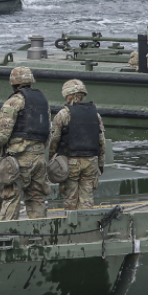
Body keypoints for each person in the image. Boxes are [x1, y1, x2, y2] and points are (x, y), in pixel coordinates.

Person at [0, 66, 50, 219]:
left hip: (19, 160)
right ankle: (39, 235)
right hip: (39, 158)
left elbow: (2, 134)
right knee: (36, 199)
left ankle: (9, 235)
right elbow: (47, 130)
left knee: (11, 196)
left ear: (13, 83)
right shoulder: (42, 101)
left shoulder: (14, 101)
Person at [47, 79, 106, 211]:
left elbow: (54, 140)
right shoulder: (95, 115)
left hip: (71, 162)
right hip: (91, 162)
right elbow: (102, 142)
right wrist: (100, 165)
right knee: (87, 199)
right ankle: (86, 225)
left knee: (71, 199)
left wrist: (52, 159)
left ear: (67, 96)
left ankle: (72, 226)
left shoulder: (63, 115)